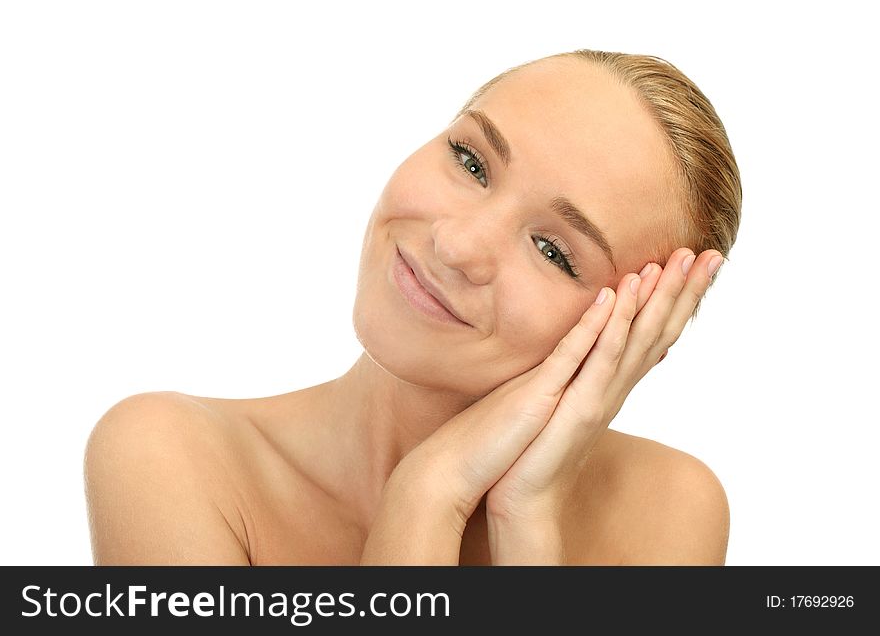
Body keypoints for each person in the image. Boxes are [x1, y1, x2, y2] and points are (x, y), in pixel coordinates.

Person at [84, 49, 742, 565]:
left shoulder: (669, 509)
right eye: (471, 161)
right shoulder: (169, 458)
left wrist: (517, 517)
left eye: (553, 250)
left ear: (639, 332)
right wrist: (426, 495)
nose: (456, 243)